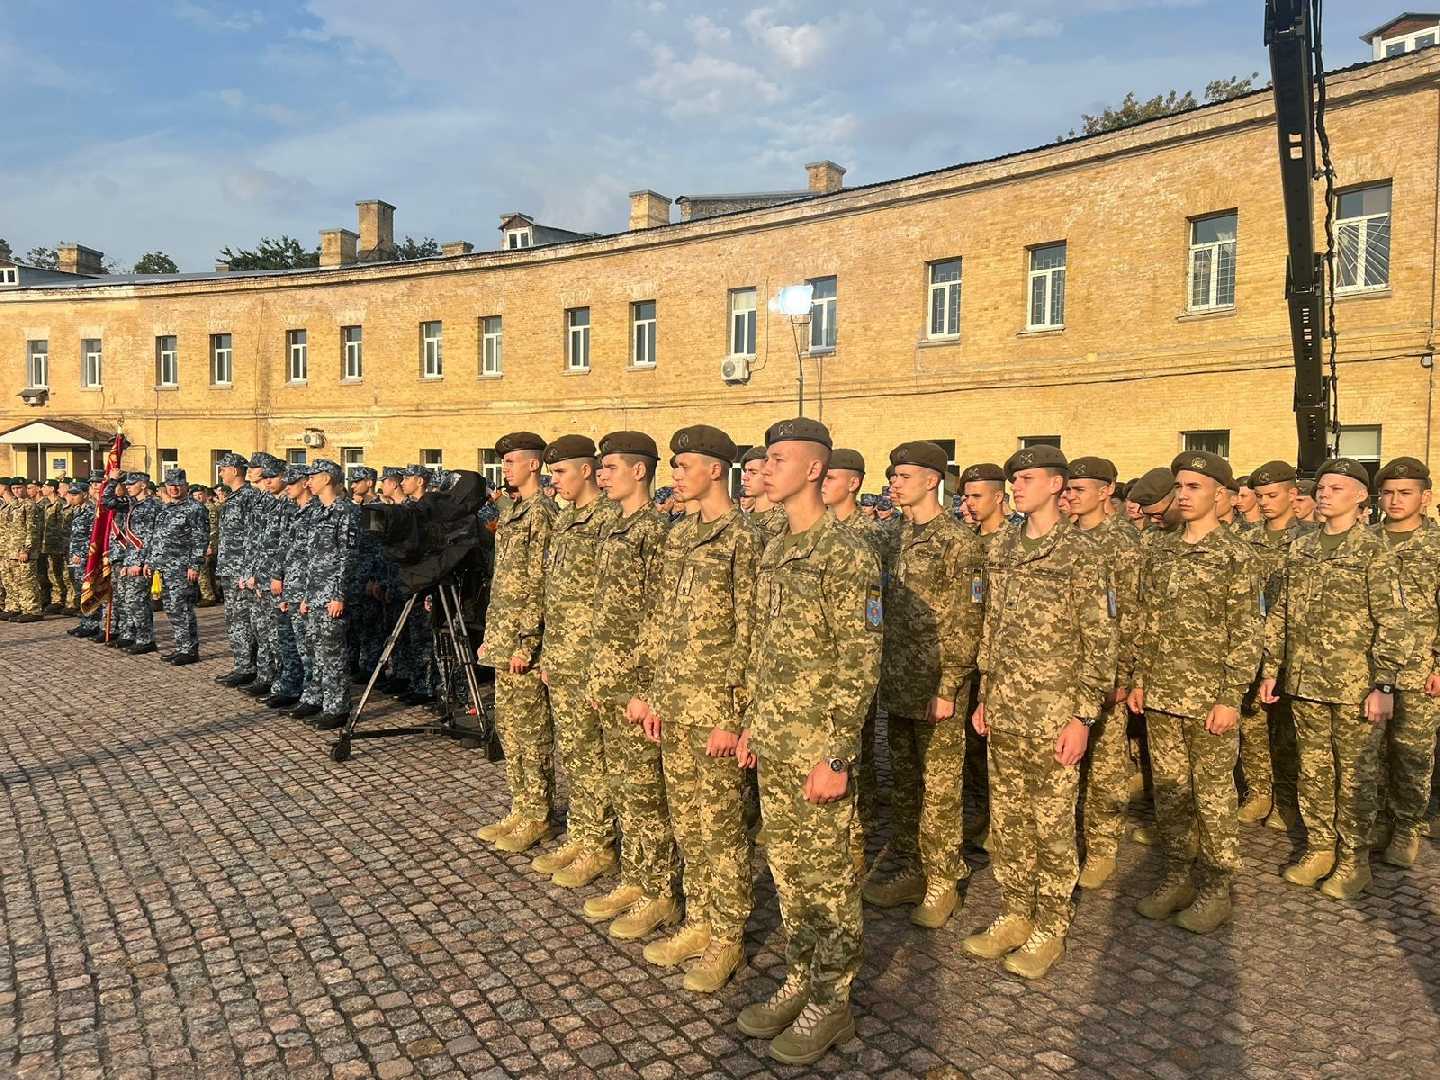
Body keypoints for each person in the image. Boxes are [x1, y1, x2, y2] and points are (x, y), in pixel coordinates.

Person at [734, 417, 881, 1066]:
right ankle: (800, 976)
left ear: (814, 470)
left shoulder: (847, 553)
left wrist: (837, 755)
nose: (768, 468)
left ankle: (832, 999)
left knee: (826, 881)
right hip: (777, 739)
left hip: (819, 746)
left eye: (779, 458)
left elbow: (859, 661)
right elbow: (765, 651)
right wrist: (752, 728)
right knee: (790, 876)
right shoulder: (775, 548)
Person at [965, 445, 1116, 980]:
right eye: (1014, 480)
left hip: (1055, 712)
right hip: (1005, 707)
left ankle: (1051, 923)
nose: (1017, 487)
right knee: (1007, 820)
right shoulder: (1003, 543)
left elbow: (1101, 639)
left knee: (1051, 822)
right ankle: (1015, 911)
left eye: (1027, 478)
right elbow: (992, 625)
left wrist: (1083, 716)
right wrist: (984, 691)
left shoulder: (1082, 552)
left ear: (1057, 485)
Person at [632, 425, 759, 991]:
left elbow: (754, 632)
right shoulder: (679, 535)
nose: (676, 475)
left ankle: (727, 936)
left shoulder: (745, 539)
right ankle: (700, 919)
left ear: (715, 470)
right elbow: (660, 622)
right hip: (676, 702)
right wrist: (655, 693)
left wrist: (734, 717)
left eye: (684, 466)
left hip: (715, 711)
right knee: (688, 821)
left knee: (723, 829)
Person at [1258, 457, 1408, 899]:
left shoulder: (1374, 551)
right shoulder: (1301, 548)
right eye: (1321, 487)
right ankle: (1321, 847)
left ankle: (1353, 861)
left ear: (1362, 497)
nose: (1324, 494)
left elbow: (1392, 621)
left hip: (1354, 686)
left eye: (1336, 488)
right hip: (1305, 682)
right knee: (1315, 770)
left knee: (1357, 775)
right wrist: (1272, 669)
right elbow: (1281, 614)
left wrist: (1384, 686)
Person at [1129, 452, 1262, 933]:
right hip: (1163, 694)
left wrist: (1230, 697)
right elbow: (1144, 621)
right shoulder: (1160, 550)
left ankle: (1216, 887)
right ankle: (1177, 875)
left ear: (1220, 496)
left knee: (1212, 797)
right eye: (1180, 486)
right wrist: (1140, 679)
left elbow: (1247, 633)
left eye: (1195, 487)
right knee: (1170, 796)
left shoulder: (1237, 556)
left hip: (1209, 700)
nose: (1183, 495)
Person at [863, 441, 983, 930]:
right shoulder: (891, 536)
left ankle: (943, 877)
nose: (894, 482)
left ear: (932, 479)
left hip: (936, 685)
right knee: (907, 784)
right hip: (897, 681)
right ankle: (911, 866)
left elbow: (966, 619)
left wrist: (949, 686)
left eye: (904, 475)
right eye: (893, 474)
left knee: (940, 789)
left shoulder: (959, 542)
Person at [582, 432, 680, 945]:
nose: (602, 475)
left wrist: (646, 689)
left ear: (640, 472)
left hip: (637, 685)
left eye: (611, 467)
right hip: (609, 677)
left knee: (645, 794)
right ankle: (636, 878)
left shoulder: (654, 532)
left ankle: (659, 890)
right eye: (599, 467)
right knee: (623, 786)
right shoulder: (612, 526)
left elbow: (659, 620)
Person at [532, 435, 617, 888]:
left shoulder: (608, 521)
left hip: (591, 662)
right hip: (564, 657)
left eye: (561, 471)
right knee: (577, 756)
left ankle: (599, 842)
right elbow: (558, 596)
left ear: (587, 471)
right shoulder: (568, 522)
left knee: (594, 758)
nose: (555, 481)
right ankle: (584, 835)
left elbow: (608, 603)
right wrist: (550, 652)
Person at [476, 432, 558, 854]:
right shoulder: (513, 512)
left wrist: (527, 643)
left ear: (534, 465)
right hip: (504, 637)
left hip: (523, 645)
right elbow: (505, 583)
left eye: (512, 462)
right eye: (503, 462)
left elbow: (539, 583)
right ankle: (521, 806)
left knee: (531, 732)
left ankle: (539, 813)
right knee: (510, 730)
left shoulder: (541, 513)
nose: (505, 469)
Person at [1065, 456, 1142, 889]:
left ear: (1106, 490)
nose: (1071, 496)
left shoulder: (1123, 542)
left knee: (1106, 765)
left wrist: (1123, 675)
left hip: (1107, 671)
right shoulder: (1063, 538)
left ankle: (1102, 846)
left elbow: (1131, 613)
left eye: (1080, 489)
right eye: (1068, 489)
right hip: (1065, 673)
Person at [1370, 456, 1440, 868]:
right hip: (1373, 666)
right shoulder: (1366, 540)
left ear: (1425, 497)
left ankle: (1407, 828)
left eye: (1405, 493)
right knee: (1371, 750)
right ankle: (1379, 820)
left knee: (1412, 752)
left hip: (1420, 667)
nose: (1394, 500)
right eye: (1389, 493)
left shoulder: (1435, 545)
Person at [1237, 461, 1314, 829]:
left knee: (1287, 731)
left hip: (1291, 648)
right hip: (1251, 644)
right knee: (1251, 725)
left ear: (1292, 494)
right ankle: (1258, 791)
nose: (1265, 503)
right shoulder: (1244, 540)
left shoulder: (1307, 539)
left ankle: (1286, 798)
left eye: (1272, 495)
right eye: (1260, 496)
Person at [299, 459, 359, 729]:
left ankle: (337, 707)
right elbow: (310, 558)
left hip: (332, 594)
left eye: (312, 476)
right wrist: (305, 595)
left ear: (327, 478)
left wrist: (339, 594)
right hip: (314, 594)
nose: (307, 481)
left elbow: (348, 556)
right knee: (316, 650)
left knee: (333, 652)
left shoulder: (345, 512)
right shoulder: (316, 512)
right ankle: (319, 699)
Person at [148, 468, 209, 665]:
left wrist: (194, 565)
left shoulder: (195, 509)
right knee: (172, 609)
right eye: (170, 485)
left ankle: (189, 650)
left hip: (182, 568)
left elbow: (200, 539)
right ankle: (181, 646)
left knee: (182, 608)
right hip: (165, 567)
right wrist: (152, 561)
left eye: (178, 485)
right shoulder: (165, 509)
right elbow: (157, 538)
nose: (174, 488)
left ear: (186, 486)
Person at [102, 471, 162, 652]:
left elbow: (154, 537)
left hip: (141, 562)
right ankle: (131, 634)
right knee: (128, 600)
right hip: (129, 560)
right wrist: (113, 481)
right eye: (126, 484)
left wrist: (144, 563)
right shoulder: (131, 504)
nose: (127, 487)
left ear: (143, 485)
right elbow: (107, 502)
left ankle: (146, 639)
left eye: (131, 483)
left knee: (138, 601)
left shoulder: (154, 506)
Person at [214, 453, 260, 685]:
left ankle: (247, 667)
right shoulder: (235, 497)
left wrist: (248, 570)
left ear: (235, 470)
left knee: (242, 620)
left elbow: (253, 537)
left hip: (240, 569)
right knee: (234, 619)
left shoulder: (248, 497)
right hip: (229, 567)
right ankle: (242, 664)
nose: (220, 472)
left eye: (223, 468)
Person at [64, 483, 100, 639]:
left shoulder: (90, 511)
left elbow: (93, 537)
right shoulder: (77, 510)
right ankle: (86, 621)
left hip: (86, 557)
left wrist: (81, 553)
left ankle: (92, 623)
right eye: (70, 494)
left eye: (76, 494)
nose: (72, 497)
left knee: (88, 589)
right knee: (80, 589)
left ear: (85, 494)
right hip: (76, 557)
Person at [740, 446, 787, 538]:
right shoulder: (741, 519)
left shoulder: (785, 521)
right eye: (745, 471)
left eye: (753, 472)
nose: (744, 477)